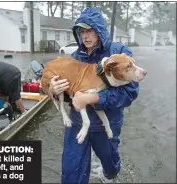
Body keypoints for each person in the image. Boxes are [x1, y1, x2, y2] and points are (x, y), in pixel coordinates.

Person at [49, 8, 139, 183]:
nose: (85, 36)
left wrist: (94, 98)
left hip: (106, 124)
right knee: (71, 171)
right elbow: (70, 96)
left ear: (99, 30)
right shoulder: (74, 58)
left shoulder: (119, 53)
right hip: (77, 123)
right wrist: (54, 89)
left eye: (89, 30)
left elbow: (130, 92)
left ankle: (109, 173)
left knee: (110, 166)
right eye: (82, 31)